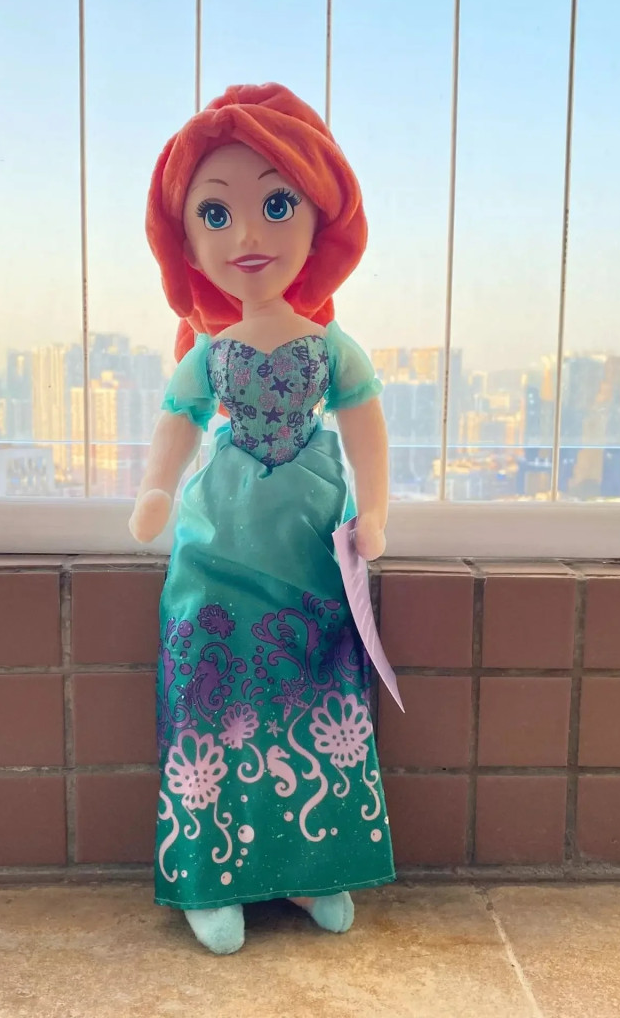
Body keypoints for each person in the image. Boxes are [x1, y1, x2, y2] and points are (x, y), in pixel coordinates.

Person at [130, 82, 396, 955]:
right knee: (210, 704)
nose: (247, 234)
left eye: (276, 205)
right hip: (218, 549)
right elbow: (176, 424)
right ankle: (211, 876)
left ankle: (312, 867)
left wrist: (377, 511)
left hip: (312, 551)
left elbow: (366, 429)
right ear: (186, 239)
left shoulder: (331, 348)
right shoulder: (209, 353)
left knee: (316, 701)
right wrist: (156, 493)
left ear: (321, 220)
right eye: (217, 213)